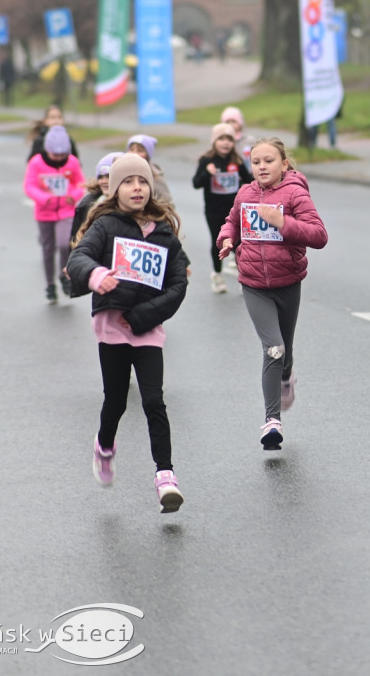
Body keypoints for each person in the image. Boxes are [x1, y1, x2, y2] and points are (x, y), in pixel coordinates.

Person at [66, 153, 189, 513]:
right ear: (115, 189)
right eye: (128, 182)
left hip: (147, 329)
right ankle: (104, 446)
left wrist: (144, 316)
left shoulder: (164, 232)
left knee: (154, 401)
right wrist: (97, 276)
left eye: (142, 181)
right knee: (116, 401)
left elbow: (178, 284)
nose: (137, 188)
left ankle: (166, 476)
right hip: (112, 330)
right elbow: (79, 258)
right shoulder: (106, 226)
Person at [216, 138, 328, 450]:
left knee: (286, 352)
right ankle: (271, 422)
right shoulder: (246, 193)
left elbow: (319, 236)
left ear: (284, 164)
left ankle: (288, 375)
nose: (262, 167)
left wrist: (284, 223)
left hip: (288, 282)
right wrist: (226, 240)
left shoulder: (294, 193)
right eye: (256, 162)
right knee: (273, 348)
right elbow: (232, 223)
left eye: (269, 161)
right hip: (253, 284)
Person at [23, 125, 86, 304]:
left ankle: (64, 275)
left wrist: (71, 196)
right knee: (48, 249)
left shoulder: (72, 162)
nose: (59, 158)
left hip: (66, 211)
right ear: (47, 150)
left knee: (64, 243)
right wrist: (44, 198)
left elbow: (80, 183)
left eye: (62, 155)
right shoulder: (36, 163)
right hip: (44, 212)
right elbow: (29, 186)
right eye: (55, 155)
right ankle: (50, 285)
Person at [192, 123, 252, 294]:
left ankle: (244, 277)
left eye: (229, 139)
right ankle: (217, 276)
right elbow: (196, 183)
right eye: (221, 139)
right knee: (218, 242)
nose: (226, 143)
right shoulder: (207, 160)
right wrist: (207, 173)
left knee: (239, 242)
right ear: (214, 141)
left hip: (234, 210)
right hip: (213, 210)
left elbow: (248, 180)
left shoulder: (237, 160)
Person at [71, 152, 123, 244]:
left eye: (108, 176)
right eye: (100, 177)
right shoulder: (87, 204)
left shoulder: (133, 204)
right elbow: (76, 239)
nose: (104, 181)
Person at [126, 134, 173, 205]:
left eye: (140, 150)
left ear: (148, 155)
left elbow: (168, 205)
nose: (134, 153)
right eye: (131, 149)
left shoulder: (156, 179)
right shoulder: (121, 174)